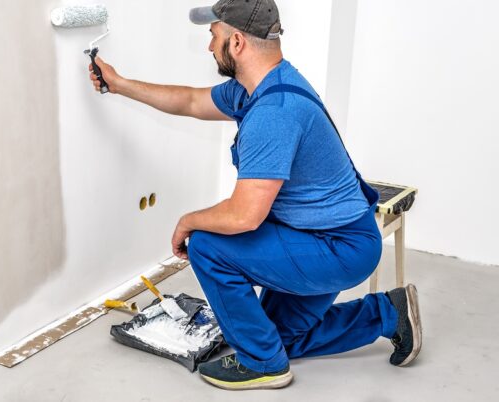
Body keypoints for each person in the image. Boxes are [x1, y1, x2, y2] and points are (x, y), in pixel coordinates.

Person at [88, 0, 422, 391]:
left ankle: (263, 365)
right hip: (321, 235)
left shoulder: (274, 112)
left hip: (337, 247)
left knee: (208, 245)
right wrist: (119, 83)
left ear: (237, 42)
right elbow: (192, 101)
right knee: (279, 337)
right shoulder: (261, 87)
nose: (209, 47)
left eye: (213, 37)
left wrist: (186, 222)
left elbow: (245, 216)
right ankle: (388, 313)